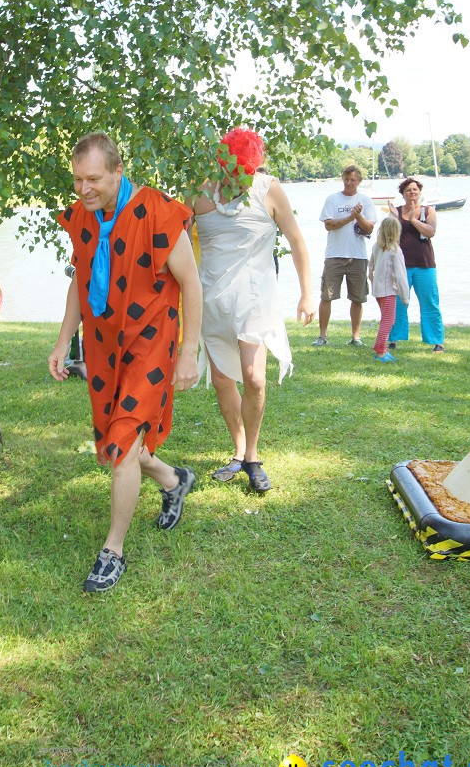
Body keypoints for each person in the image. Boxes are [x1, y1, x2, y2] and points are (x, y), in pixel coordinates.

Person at [49, 132, 202, 593]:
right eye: (77, 180)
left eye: (93, 179)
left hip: (151, 342)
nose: (83, 189)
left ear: (118, 171)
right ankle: (174, 480)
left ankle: (112, 551)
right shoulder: (83, 216)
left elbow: (192, 285)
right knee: (119, 444)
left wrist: (189, 350)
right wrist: (63, 342)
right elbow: (80, 279)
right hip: (102, 345)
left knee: (120, 447)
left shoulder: (158, 211)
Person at [192, 128, 315, 491]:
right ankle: (239, 449)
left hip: (255, 299)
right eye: (233, 170)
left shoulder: (269, 190)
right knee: (220, 381)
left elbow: (296, 240)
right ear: (222, 162)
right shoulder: (199, 193)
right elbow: (178, 247)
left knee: (255, 378)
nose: (239, 178)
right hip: (212, 299)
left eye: (247, 170)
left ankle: (253, 455)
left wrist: (308, 293)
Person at [313, 165, 376, 347]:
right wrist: (350, 217)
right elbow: (329, 225)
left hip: (358, 255)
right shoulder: (333, 199)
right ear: (342, 179)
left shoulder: (365, 200)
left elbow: (370, 227)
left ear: (359, 181)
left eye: (353, 180)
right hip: (334, 255)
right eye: (346, 179)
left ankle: (356, 337)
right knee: (327, 295)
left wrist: (358, 217)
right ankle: (322, 336)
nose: (349, 183)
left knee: (357, 297)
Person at [388, 177, 445, 352]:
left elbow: (431, 232)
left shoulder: (428, 210)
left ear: (420, 192)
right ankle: (394, 339)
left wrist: (413, 219)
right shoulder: (396, 211)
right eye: (408, 190)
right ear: (403, 194)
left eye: (415, 190)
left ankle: (436, 341)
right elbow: (390, 237)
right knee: (398, 303)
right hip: (401, 265)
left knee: (430, 303)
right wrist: (394, 217)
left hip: (425, 265)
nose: (412, 193)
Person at [368, 215, 409, 362]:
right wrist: (405, 296)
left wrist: (373, 281)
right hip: (389, 292)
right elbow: (400, 276)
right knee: (388, 320)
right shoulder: (395, 251)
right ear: (396, 232)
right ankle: (380, 351)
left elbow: (370, 267)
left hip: (378, 291)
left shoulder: (376, 247)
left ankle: (382, 349)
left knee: (385, 319)